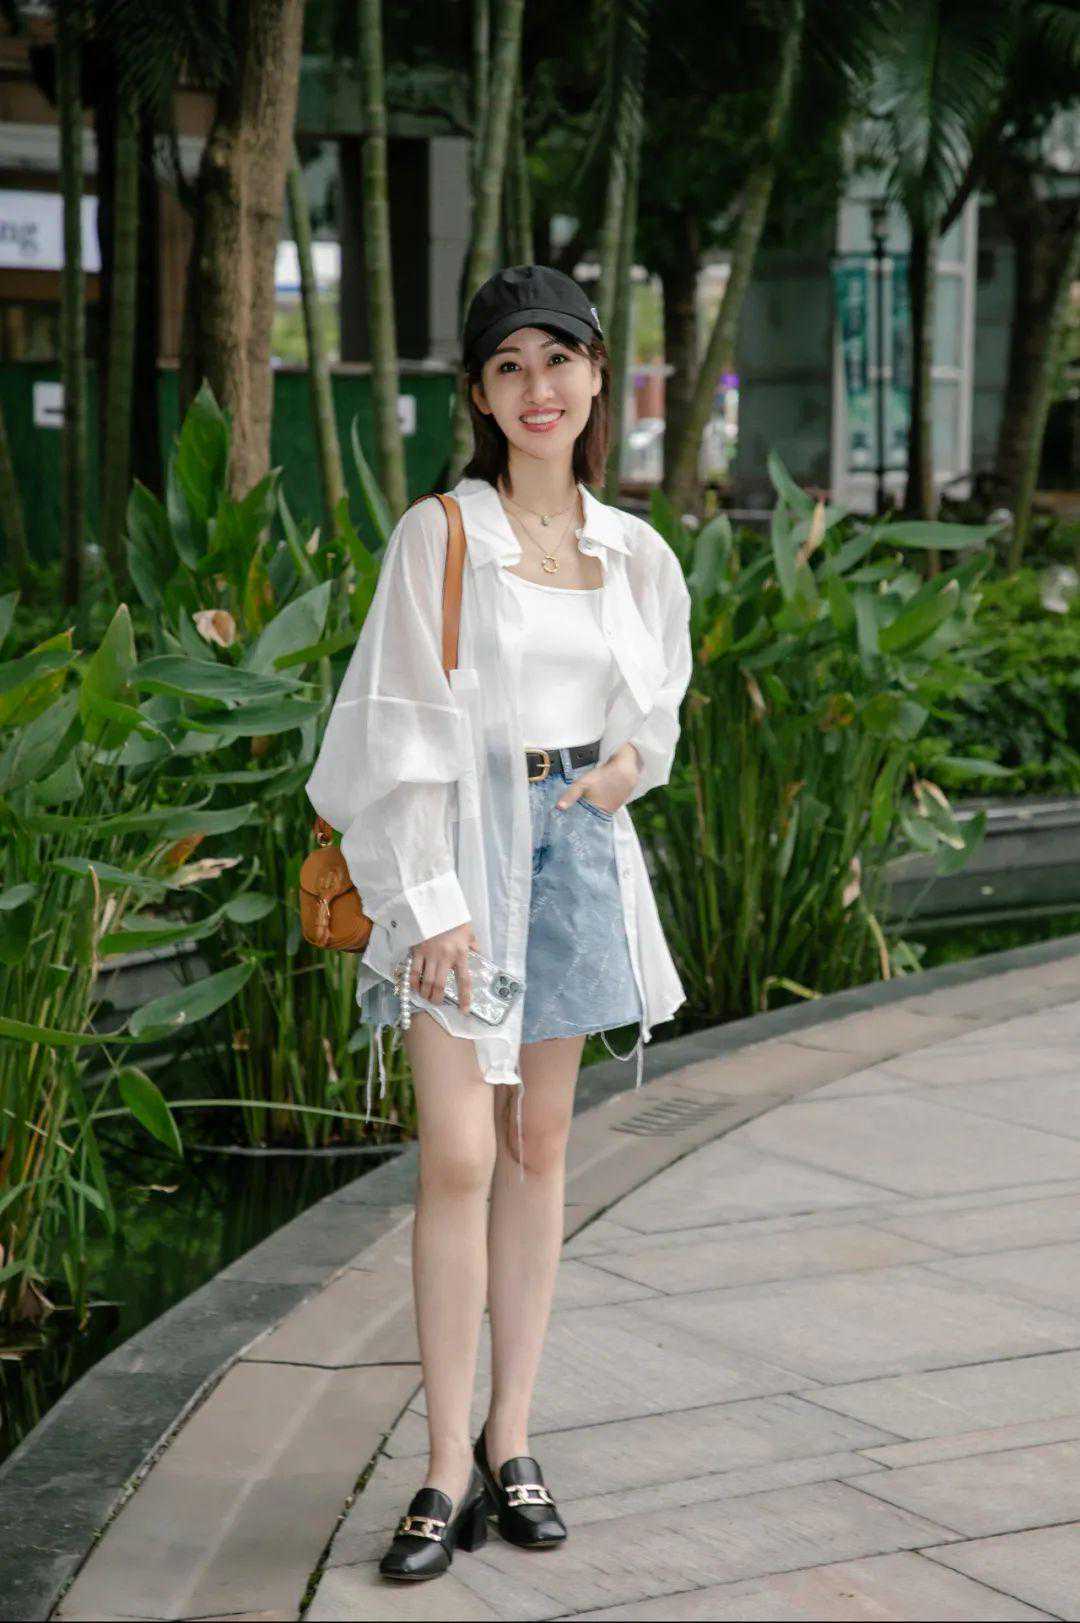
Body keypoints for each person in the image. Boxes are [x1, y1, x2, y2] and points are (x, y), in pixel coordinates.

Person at [305, 264, 693, 1583]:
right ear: (478, 393)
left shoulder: (631, 550)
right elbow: (392, 728)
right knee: (460, 1155)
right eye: (511, 366)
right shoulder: (443, 536)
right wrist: (427, 904)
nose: (540, 388)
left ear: (597, 378)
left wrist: (626, 771)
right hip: (459, 855)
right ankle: (438, 1466)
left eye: (560, 361)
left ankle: (510, 1439)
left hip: (573, 845)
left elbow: (659, 699)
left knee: (537, 1146)